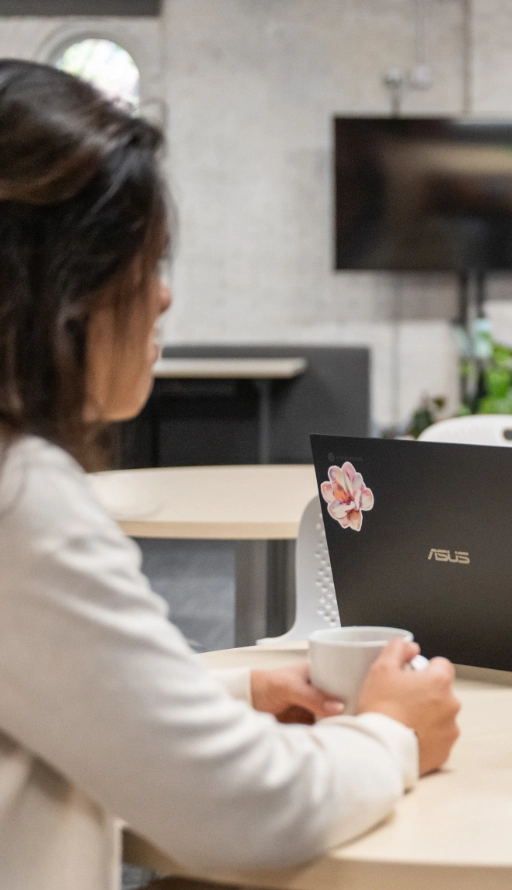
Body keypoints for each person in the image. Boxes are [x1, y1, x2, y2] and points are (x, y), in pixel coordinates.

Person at [0, 61, 460, 890]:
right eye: (144, 263)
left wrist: (236, 698)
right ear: (56, 291)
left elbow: (57, 688)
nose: (165, 299)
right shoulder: (22, 502)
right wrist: (392, 732)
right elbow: (249, 815)